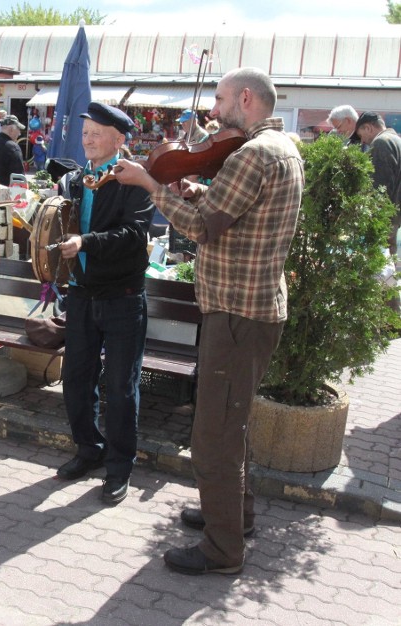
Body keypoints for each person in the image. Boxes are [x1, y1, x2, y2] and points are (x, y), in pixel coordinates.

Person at [113, 67, 304, 575]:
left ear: (245, 98)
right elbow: (231, 214)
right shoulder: (282, 148)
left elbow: (202, 229)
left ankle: (222, 552)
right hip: (255, 308)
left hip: (238, 314)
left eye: (219, 100)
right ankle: (232, 518)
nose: (213, 113)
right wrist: (194, 191)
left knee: (214, 432)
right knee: (229, 420)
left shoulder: (250, 154)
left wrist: (153, 184)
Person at [53, 102, 153, 506]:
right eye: (86, 131)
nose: (88, 138)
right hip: (80, 295)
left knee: (121, 387)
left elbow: (133, 235)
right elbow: (62, 222)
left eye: (97, 132)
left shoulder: (135, 181)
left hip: (122, 299)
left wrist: (85, 242)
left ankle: (118, 468)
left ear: (118, 139)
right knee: (76, 380)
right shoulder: (75, 180)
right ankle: (88, 449)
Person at [353, 111, 401, 312]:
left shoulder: (381, 144)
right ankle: (390, 315)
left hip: (385, 217)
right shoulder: (397, 140)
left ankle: (388, 315)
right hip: (394, 215)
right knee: (387, 266)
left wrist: (372, 217)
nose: (362, 140)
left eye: (361, 135)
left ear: (368, 127)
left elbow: (380, 187)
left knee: (380, 267)